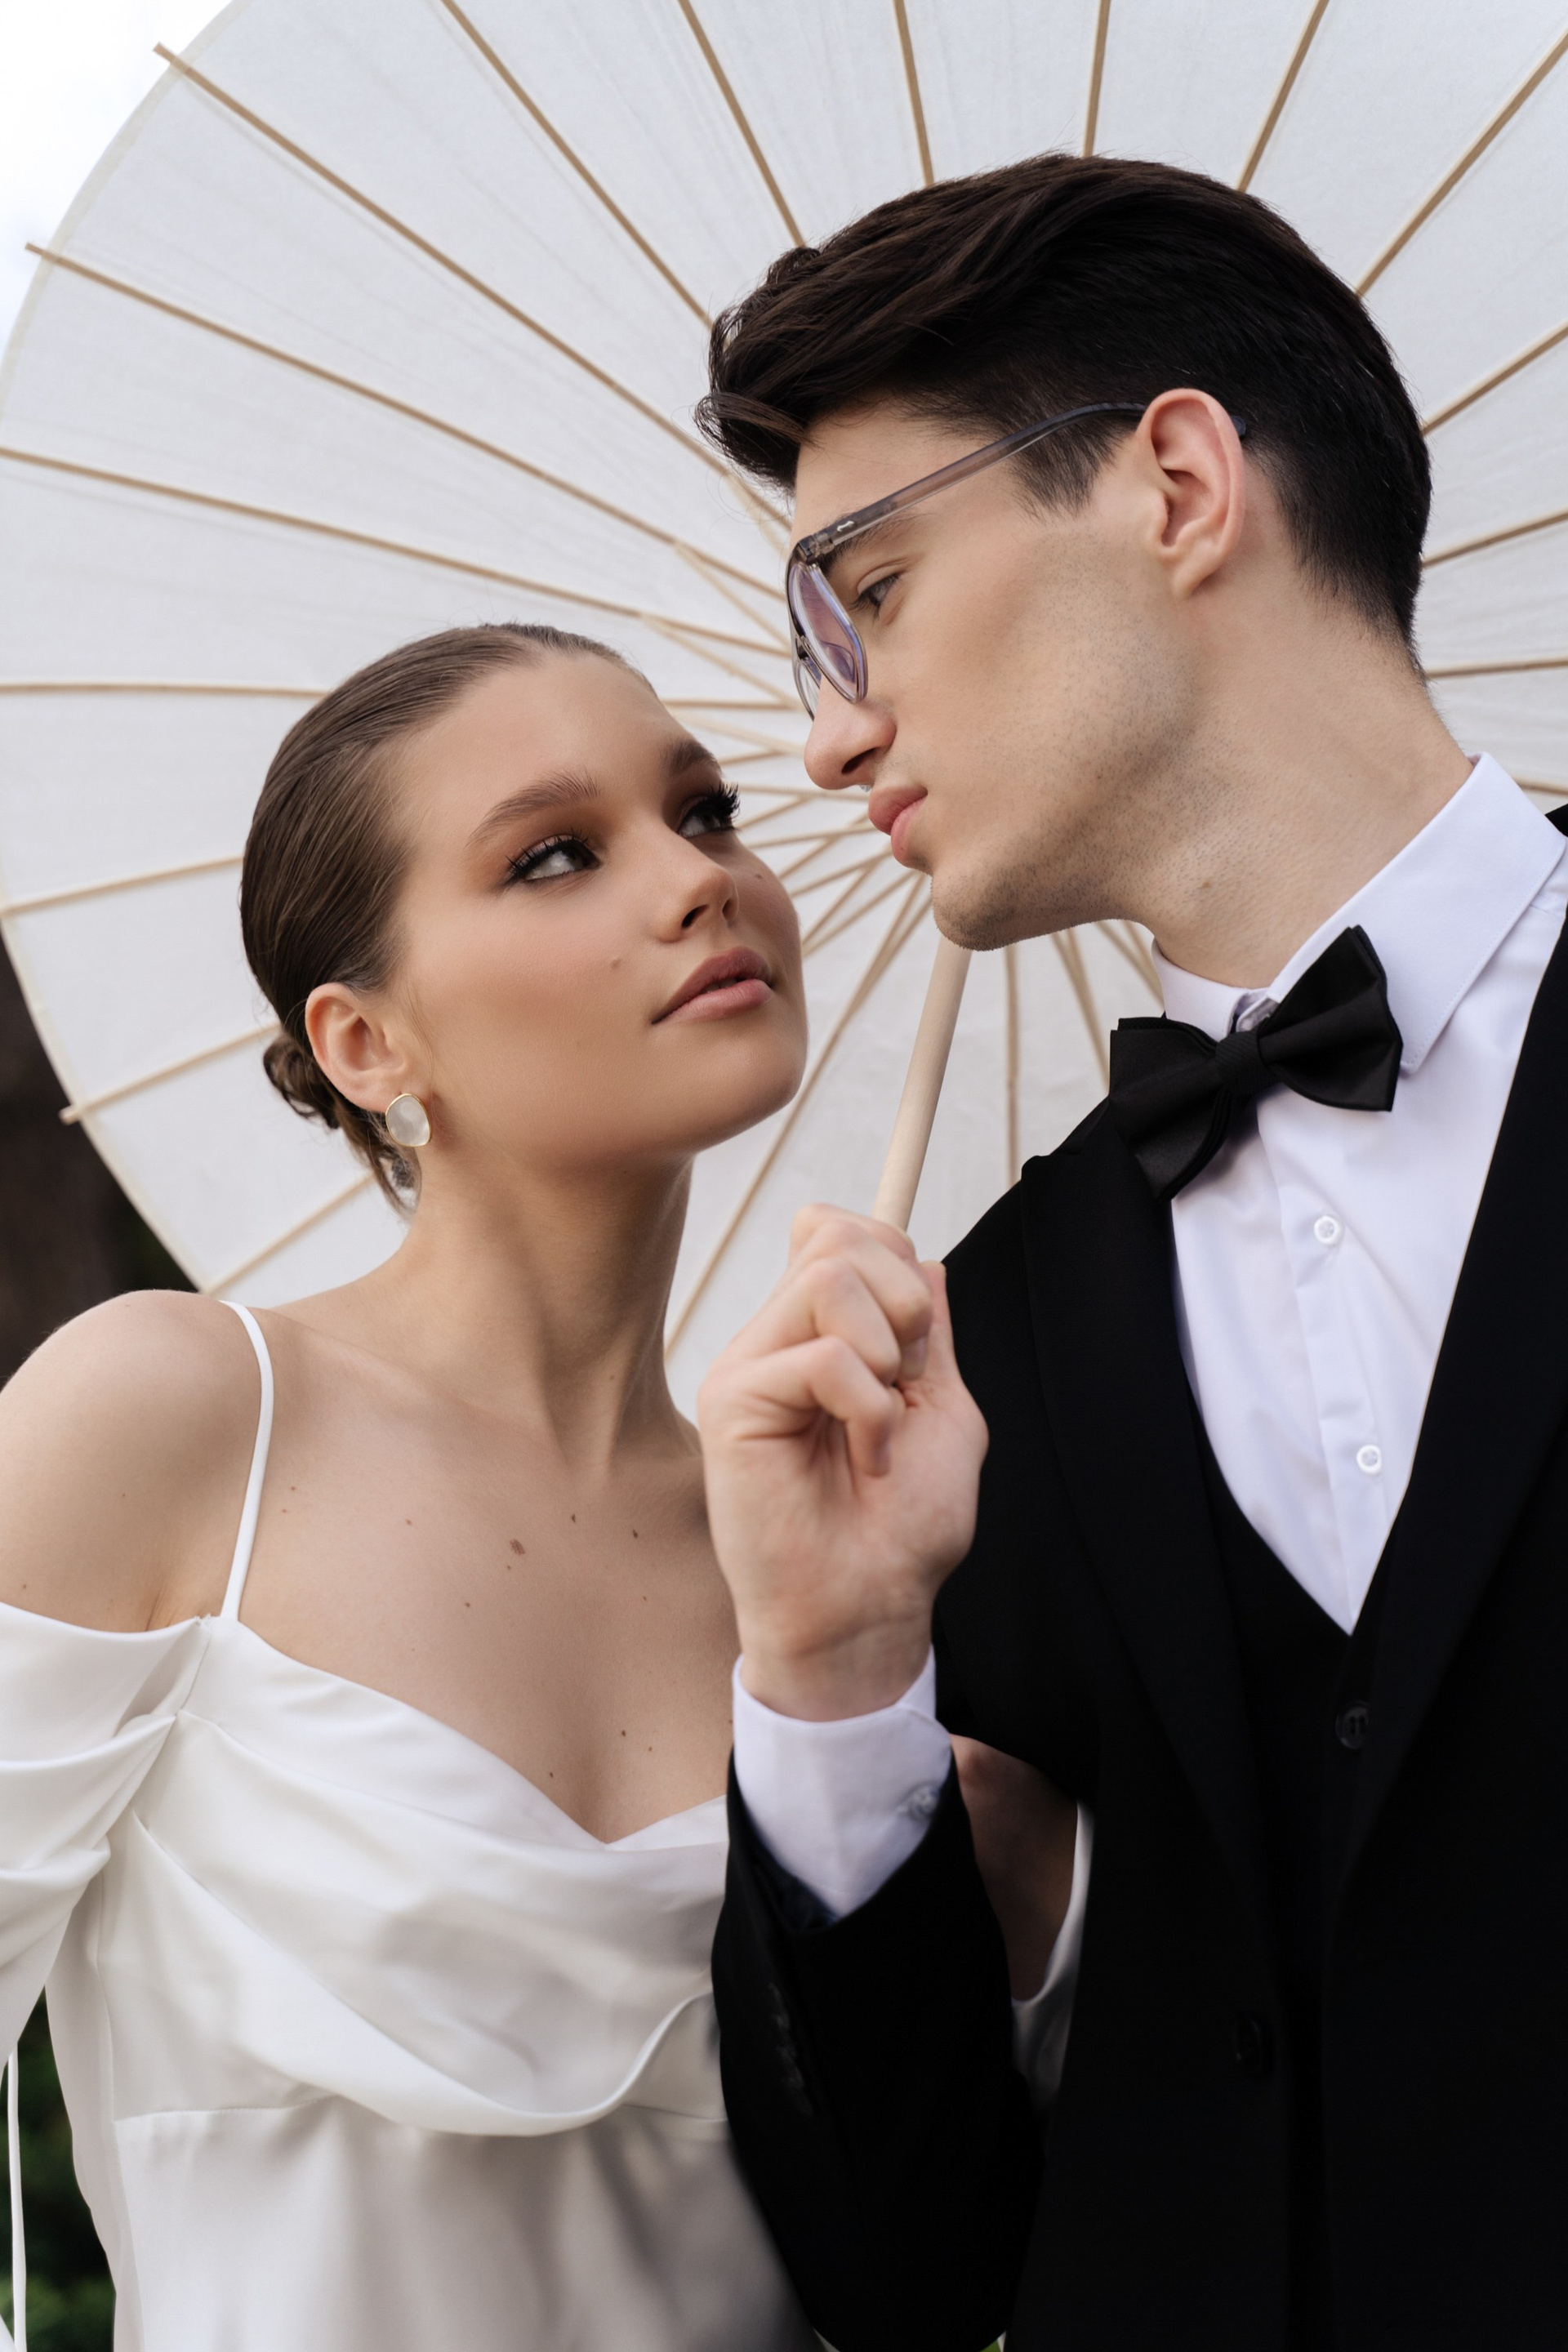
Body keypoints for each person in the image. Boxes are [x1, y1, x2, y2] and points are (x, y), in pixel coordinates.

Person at [693, 153, 1568, 2352]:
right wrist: (830, 1671)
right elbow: (905, 2262)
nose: (827, 730)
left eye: (866, 591)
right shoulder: (967, 1357)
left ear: (1178, 485)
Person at [0, 621, 822, 2350]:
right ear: (366, 1043)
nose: (700, 878)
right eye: (556, 855)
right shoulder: (173, 1424)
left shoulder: (828, 1550)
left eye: (707, 810)